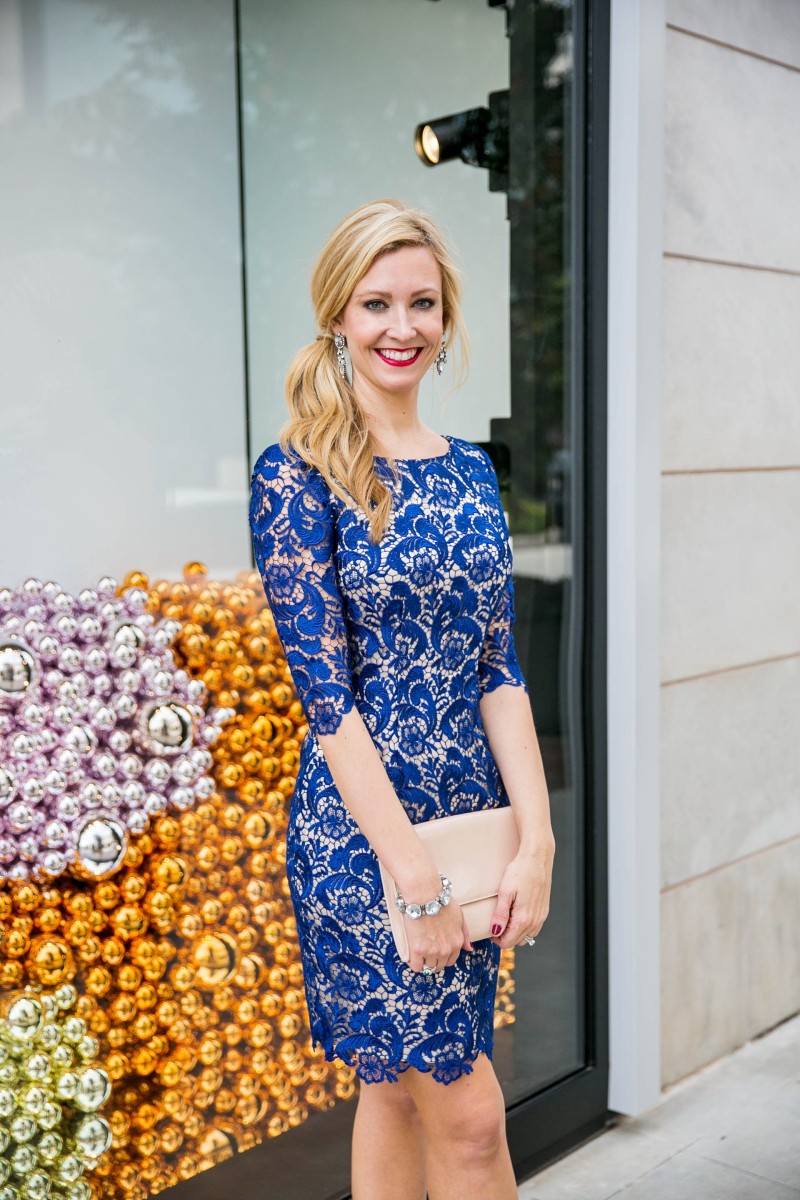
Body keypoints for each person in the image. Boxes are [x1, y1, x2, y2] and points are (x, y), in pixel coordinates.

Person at [249, 198, 555, 1200]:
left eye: (421, 302)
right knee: (468, 1122)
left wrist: (536, 841)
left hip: (469, 826)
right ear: (337, 315)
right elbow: (325, 699)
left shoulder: (471, 472)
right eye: (376, 302)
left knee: (394, 1092)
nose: (401, 326)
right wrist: (410, 873)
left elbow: (497, 670)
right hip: (366, 840)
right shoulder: (295, 475)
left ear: (445, 317)